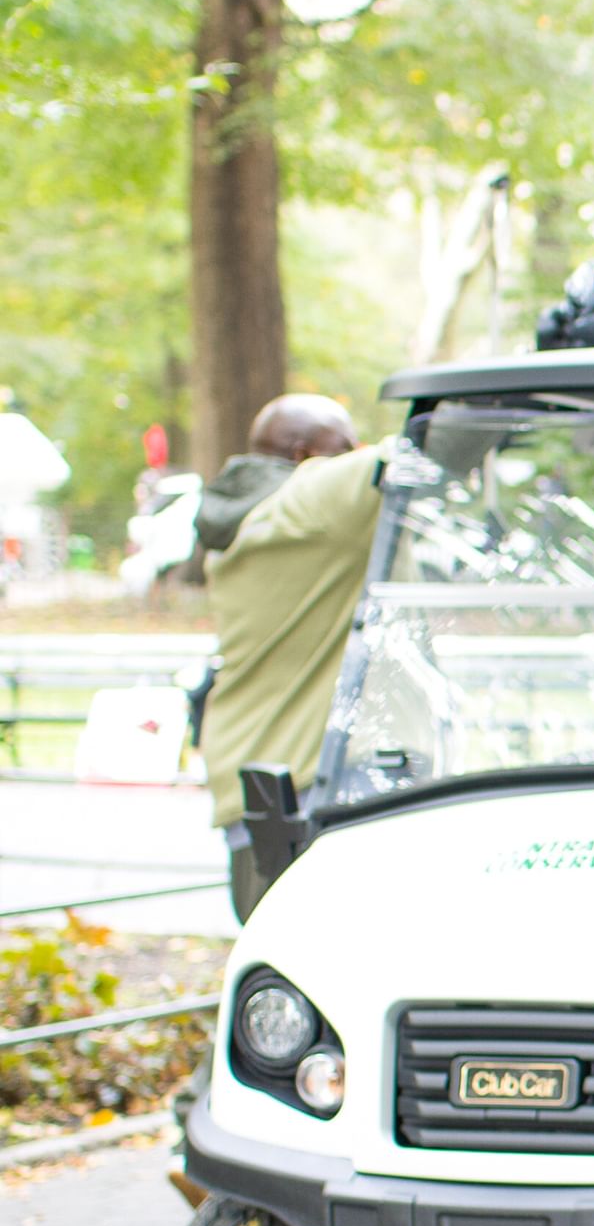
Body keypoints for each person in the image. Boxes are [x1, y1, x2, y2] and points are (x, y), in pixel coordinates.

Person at [198, 394, 385, 922]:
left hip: (253, 782)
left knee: (278, 969)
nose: (354, 455)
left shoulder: (249, 514)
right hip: (310, 783)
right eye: (344, 448)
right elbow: (427, 447)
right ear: (304, 456)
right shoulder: (312, 496)